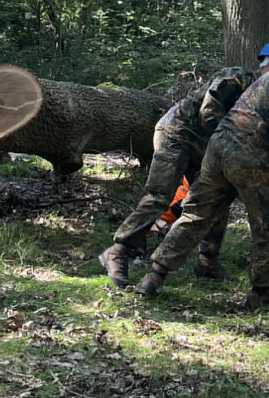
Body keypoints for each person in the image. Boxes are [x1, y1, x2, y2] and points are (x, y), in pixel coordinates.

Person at [135, 33, 269, 311]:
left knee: (195, 214)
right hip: (252, 159)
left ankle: (154, 276)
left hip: (218, 149)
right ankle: (261, 295)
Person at [97, 66, 255, 288]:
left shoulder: (260, 94)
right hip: (177, 132)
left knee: (217, 196)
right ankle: (118, 251)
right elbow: (209, 112)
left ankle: (208, 262)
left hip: (202, 144)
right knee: (160, 195)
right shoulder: (240, 77)